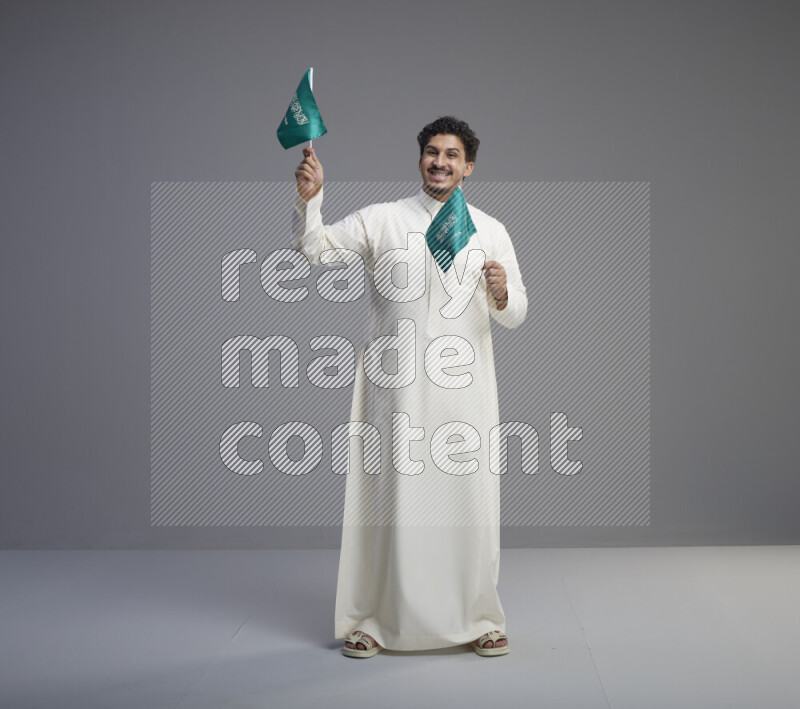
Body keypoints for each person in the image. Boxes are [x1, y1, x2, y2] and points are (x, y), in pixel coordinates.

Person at [291, 116, 527, 658]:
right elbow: (318, 250)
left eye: (451, 154)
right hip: (394, 389)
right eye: (430, 152)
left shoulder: (489, 229)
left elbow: (517, 313)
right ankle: (375, 619)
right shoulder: (384, 219)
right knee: (390, 500)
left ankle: (478, 617)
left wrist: (501, 291)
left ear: (468, 167)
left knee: (467, 501)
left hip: (463, 391)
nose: (439, 161)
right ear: (420, 159)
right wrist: (311, 200)